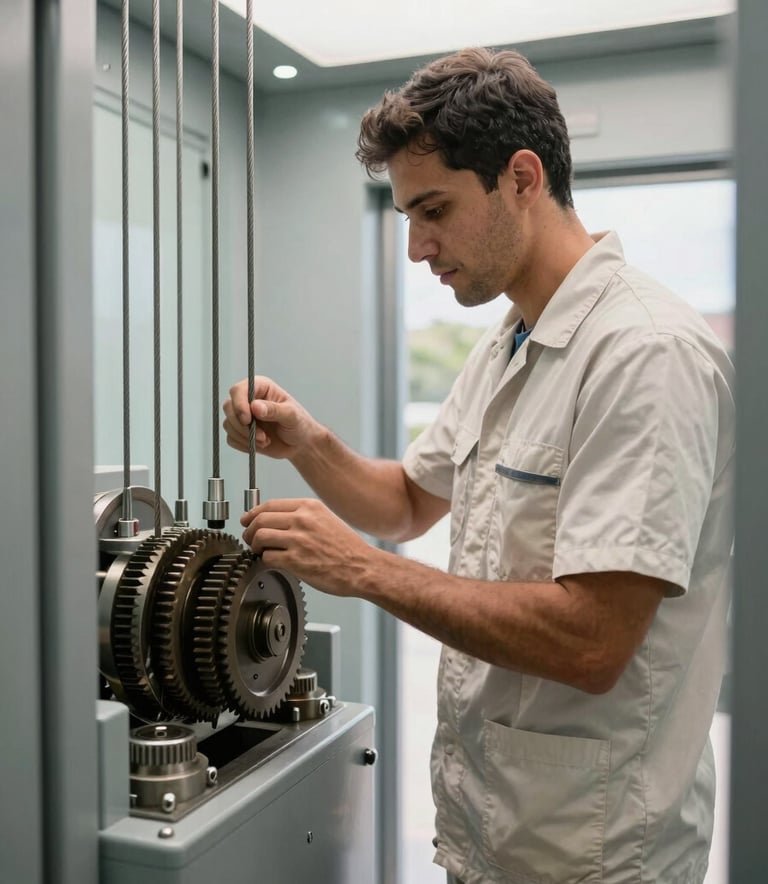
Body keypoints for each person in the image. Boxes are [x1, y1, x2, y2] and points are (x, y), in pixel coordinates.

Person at [222, 47, 735, 884]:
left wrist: (365, 573)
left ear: (522, 178)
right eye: (407, 220)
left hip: (597, 853)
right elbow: (406, 504)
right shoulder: (511, 340)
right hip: (492, 833)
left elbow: (594, 640)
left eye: (435, 210)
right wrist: (307, 442)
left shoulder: (645, 353)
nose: (420, 247)